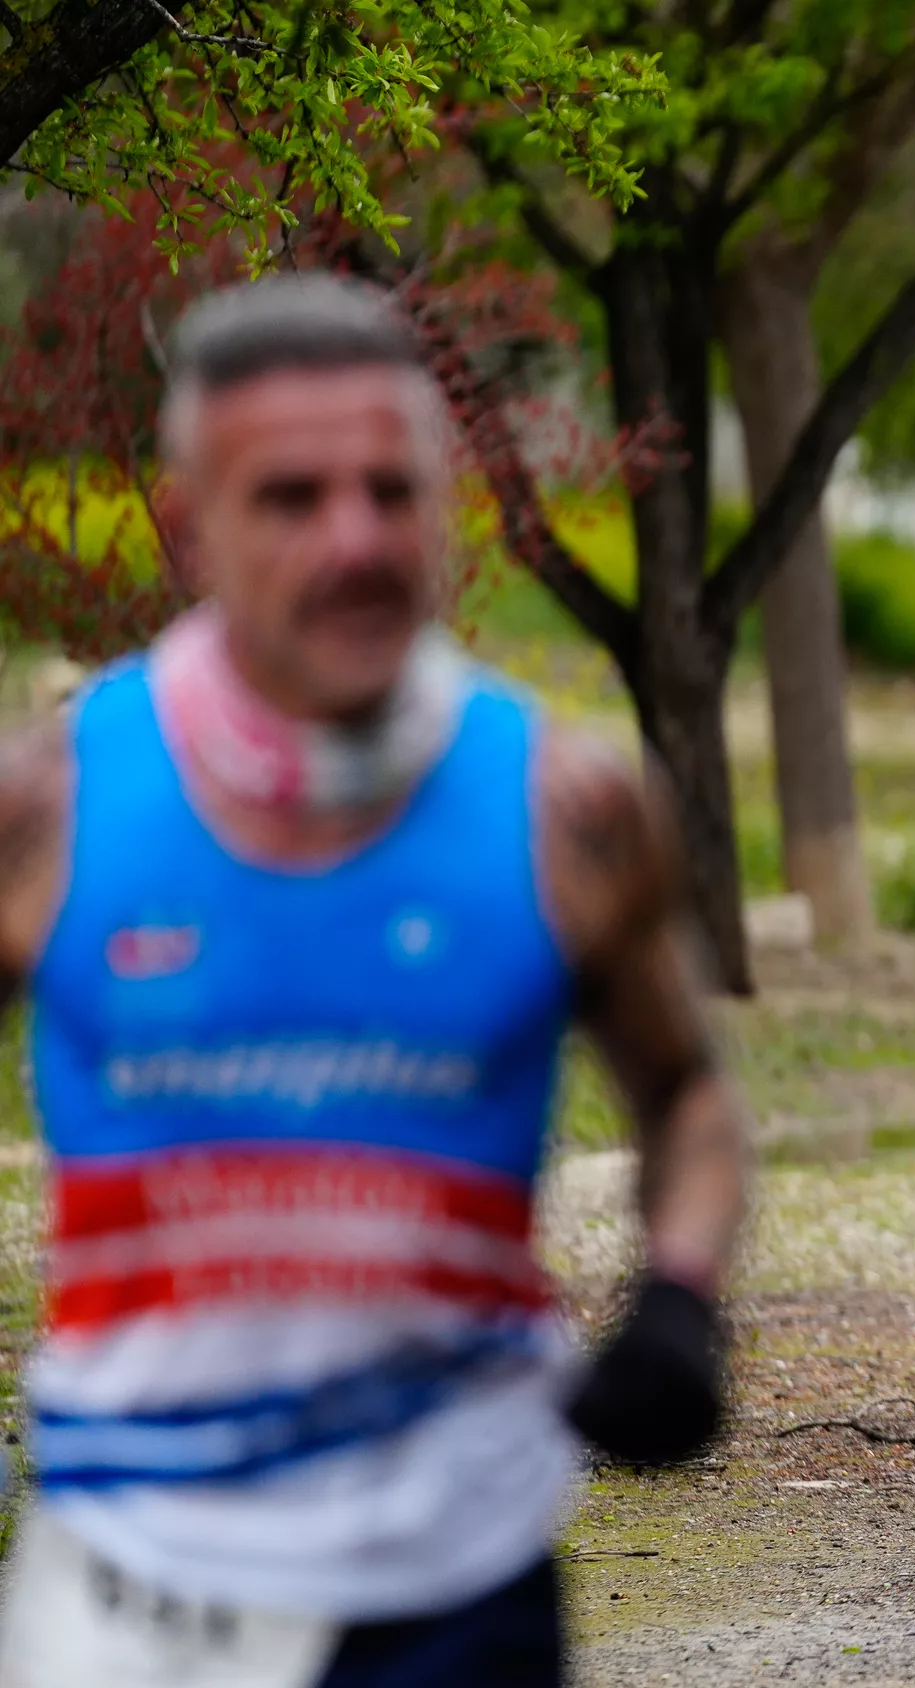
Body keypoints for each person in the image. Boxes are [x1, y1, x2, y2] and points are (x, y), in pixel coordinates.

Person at [0, 276, 750, 1686]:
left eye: (391, 492)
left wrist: (681, 1300)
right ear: (187, 527)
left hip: (457, 1578)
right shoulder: (48, 809)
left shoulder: (570, 807)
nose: (355, 540)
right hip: (130, 1593)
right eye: (291, 497)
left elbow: (688, 1093)